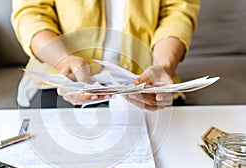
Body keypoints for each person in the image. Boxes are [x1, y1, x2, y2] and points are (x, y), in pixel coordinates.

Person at [11, 0, 199, 110]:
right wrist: (64, 62)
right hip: (58, 80)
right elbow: (31, 13)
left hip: (145, 82)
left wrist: (163, 65)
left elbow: (177, 13)